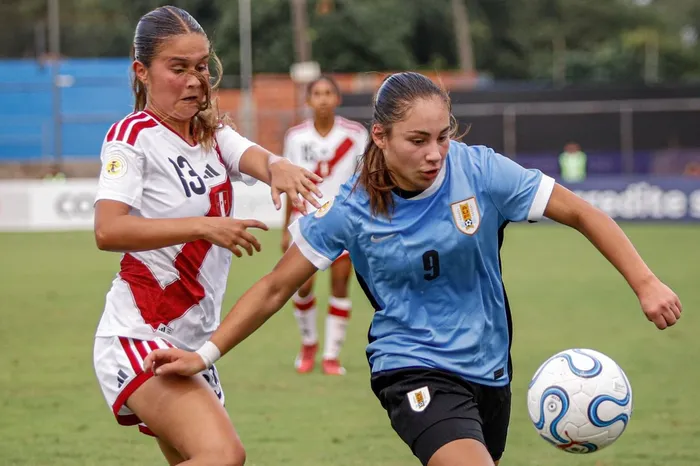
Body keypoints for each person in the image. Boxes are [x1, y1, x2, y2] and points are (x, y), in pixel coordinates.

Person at [144, 72, 682, 466]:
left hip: (489, 367)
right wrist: (204, 354)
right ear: (380, 138)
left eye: (443, 136)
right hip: (411, 367)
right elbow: (274, 288)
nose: (436, 153)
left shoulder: (481, 171)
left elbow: (582, 212)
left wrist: (646, 281)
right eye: (419, 141)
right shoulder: (350, 211)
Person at [91, 6, 322, 466]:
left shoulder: (212, 133)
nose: (195, 80)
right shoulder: (131, 137)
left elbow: (256, 158)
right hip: (140, 331)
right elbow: (107, 228)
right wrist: (203, 225)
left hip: (192, 344)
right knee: (223, 455)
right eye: (178, 68)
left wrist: (280, 167)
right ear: (142, 71)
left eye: (200, 66)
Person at [281, 75, 368, 375]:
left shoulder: (356, 135)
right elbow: (289, 183)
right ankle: (309, 343)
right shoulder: (295, 137)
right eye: (316, 93)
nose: (322, 98)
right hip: (305, 221)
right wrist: (284, 229)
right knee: (302, 286)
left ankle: (332, 355)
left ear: (337, 99)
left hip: (343, 221)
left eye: (328, 93)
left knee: (341, 284)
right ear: (308, 100)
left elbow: (364, 180)